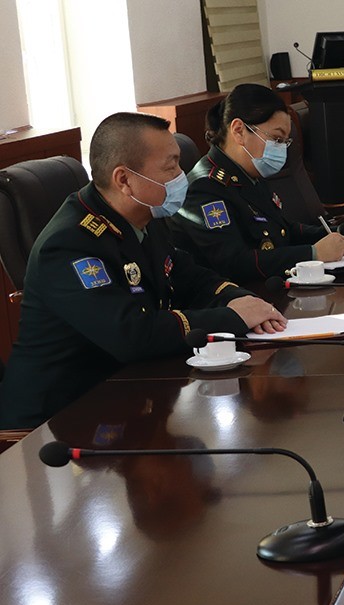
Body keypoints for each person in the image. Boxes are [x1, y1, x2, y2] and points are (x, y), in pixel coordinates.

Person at [0, 112, 287, 429]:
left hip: (122, 390)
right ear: (124, 180)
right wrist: (233, 318)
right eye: (170, 167)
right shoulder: (69, 245)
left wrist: (241, 299)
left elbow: (191, 276)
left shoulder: (145, 216)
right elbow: (131, 334)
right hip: (56, 420)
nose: (181, 176)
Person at [170, 83, 344, 283]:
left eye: (285, 142)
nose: (281, 149)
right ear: (239, 130)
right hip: (241, 296)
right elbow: (234, 263)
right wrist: (312, 253)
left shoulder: (249, 174)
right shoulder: (205, 187)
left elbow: (282, 230)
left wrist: (335, 234)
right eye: (276, 139)